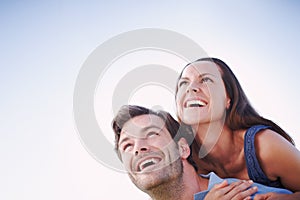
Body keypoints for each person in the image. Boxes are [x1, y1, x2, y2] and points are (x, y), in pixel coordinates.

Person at [175, 57, 300, 199]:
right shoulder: (180, 161)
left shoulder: (263, 145)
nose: (191, 87)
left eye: (206, 80)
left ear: (228, 97)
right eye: (184, 83)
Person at [112, 105, 292, 200]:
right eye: (127, 145)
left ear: (182, 148)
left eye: (151, 134)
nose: (137, 148)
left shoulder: (241, 194)